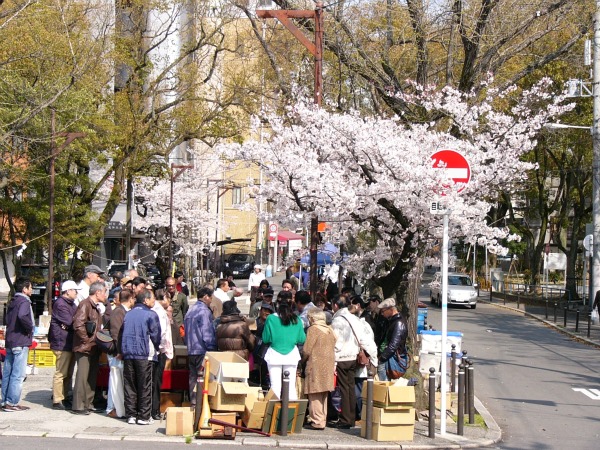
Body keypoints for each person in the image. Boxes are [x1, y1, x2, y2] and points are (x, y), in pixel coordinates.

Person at [330, 295, 370, 429]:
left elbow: (337, 343)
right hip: (353, 356)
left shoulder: (337, 321)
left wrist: (334, 360)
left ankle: (345, 419)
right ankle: (351, 417)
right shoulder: (354, 318)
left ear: (335, 305)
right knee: (350, 388)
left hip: (342, 358)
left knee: (344, 389)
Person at [122, 290, 161, 425]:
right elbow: (156, 335)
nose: (154, 301)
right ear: (145, 300)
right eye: (152, 299)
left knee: (130, 384)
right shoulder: (151, 314)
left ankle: (131, 415)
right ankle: (144, 416)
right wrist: (157, 347)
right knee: (145, 385)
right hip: (144, 353)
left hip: (128, 352)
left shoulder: (128, 314)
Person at [71, 281, 106, 415]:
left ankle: (88, 403)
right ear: (97, 292)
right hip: (84, 347)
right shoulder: (85, 304)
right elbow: (78, 325)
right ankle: (78, 405)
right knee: (82, 376)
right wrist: (87, 340)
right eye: (104, 292)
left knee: (91, 376)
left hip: (94, 346)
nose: (105, 295)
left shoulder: (96, 306)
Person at [1, 277, 34, 412]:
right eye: (30, 287)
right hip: (20, 340)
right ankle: (12, 402)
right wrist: (29, 328)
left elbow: (7, 319)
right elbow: (22, 316)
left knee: (8, 372)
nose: (32, 290)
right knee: (18, 374)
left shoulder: (13, 301)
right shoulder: (24, 301)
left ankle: (5, 401)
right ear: (25, 289)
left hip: (11, 340)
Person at [262, 301, 306, 400]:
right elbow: (302, 339)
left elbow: (265, 338)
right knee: (291, 387)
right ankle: (292, 414)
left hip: (274, 354)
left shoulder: (271, 319)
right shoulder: (297, 319)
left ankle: (274, 414)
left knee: (275, 387)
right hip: (291, 355)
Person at [302, 308, 336, 430]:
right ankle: (322, 419)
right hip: (328, 364)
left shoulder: (313, 329)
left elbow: (306, 349)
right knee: (323, 394)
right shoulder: (329, 330)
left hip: (315, 364)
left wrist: (302, 360)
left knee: (314, 392)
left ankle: (317, 421)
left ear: (312, 318)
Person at [48, 280, 80, 410]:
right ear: (68, 291)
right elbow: (70, 321)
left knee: (68, 372)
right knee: (61, 372)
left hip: (69, 340)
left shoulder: (72, 304)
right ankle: (57, 400)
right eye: (75, 290)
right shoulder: (61, 304)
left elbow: (74, 320)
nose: (76, 293)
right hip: (62, 342)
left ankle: (65, 396)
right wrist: (71, 323)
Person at [184, 287, 217, 406]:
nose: (211, 300)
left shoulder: (190, 310)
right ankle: (200, 404)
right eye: (210, 297)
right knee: (202, 378)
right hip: (202, 349)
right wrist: (212, 348)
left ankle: (193, 403)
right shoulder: (204, 311)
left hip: (191, 349)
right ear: (205, 297)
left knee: (193, 378)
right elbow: (207, 332)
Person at [106, 289, 135, 419]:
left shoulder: (124, 311)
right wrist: (120, 351)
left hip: (121, 351)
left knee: (119, 381)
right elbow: (116, 333)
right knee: (114, 381)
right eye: (133, 299)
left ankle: (118, 408)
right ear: (130, 299)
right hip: (116, 352)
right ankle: (111, 408)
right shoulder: (118, 311)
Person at [150, 289, 174, 420]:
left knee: (154, 381)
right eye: (168, 298)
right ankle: (154, 410)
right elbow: (161, 334)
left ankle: (153, 409)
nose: (169, 301)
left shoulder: (159, 311)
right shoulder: (158, 312)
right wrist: (162, 348)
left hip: (158, 350)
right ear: (162, 298)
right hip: (159, 351)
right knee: (155, 381)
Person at [377, 298, 408, 381]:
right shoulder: (392, 321)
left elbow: (394, 344)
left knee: (384, 383)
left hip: (390, 358)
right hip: (388, 356)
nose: (382, 314)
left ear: (391, 309)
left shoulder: (398, 323)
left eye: (383, 311)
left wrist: (382, 358)